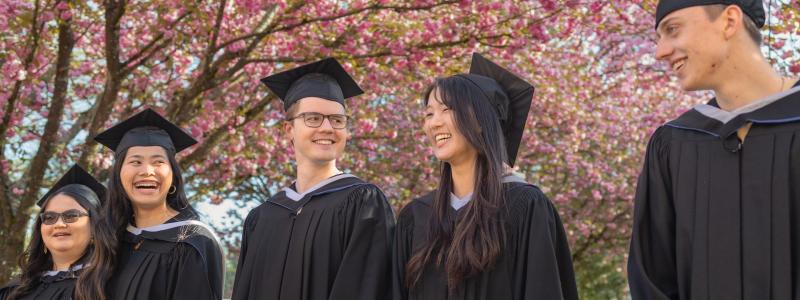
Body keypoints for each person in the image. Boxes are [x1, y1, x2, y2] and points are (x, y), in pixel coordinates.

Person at [628, 0, 800, 298]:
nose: (660, 52)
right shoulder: (673, 145)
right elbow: (653, 280)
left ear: (729, 21)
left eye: (672, 30)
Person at [391, 53, 578, 300]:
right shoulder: (416, 216)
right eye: (428, 114)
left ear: (481, 120)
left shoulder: (523, 207)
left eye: (446, 109)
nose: (433, 123)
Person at [232, 57, 396, 300]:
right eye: (313, 118)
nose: (327, 128)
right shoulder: (262, 217)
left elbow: (367, 290)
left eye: (337, 120)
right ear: (289, 130)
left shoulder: (363, 204)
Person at [96, 108, 224, 300]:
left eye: (158, 162)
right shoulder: (111, 239)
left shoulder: (192, 242)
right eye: (135, 162)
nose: (147, 171)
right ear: (118, 175)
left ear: (173, 176)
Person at [0, 165, 114, 300]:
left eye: (71, 215)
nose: (59, 224)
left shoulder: (111, 285)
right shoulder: (14, 291)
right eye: (49, 218)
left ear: (95, 227)